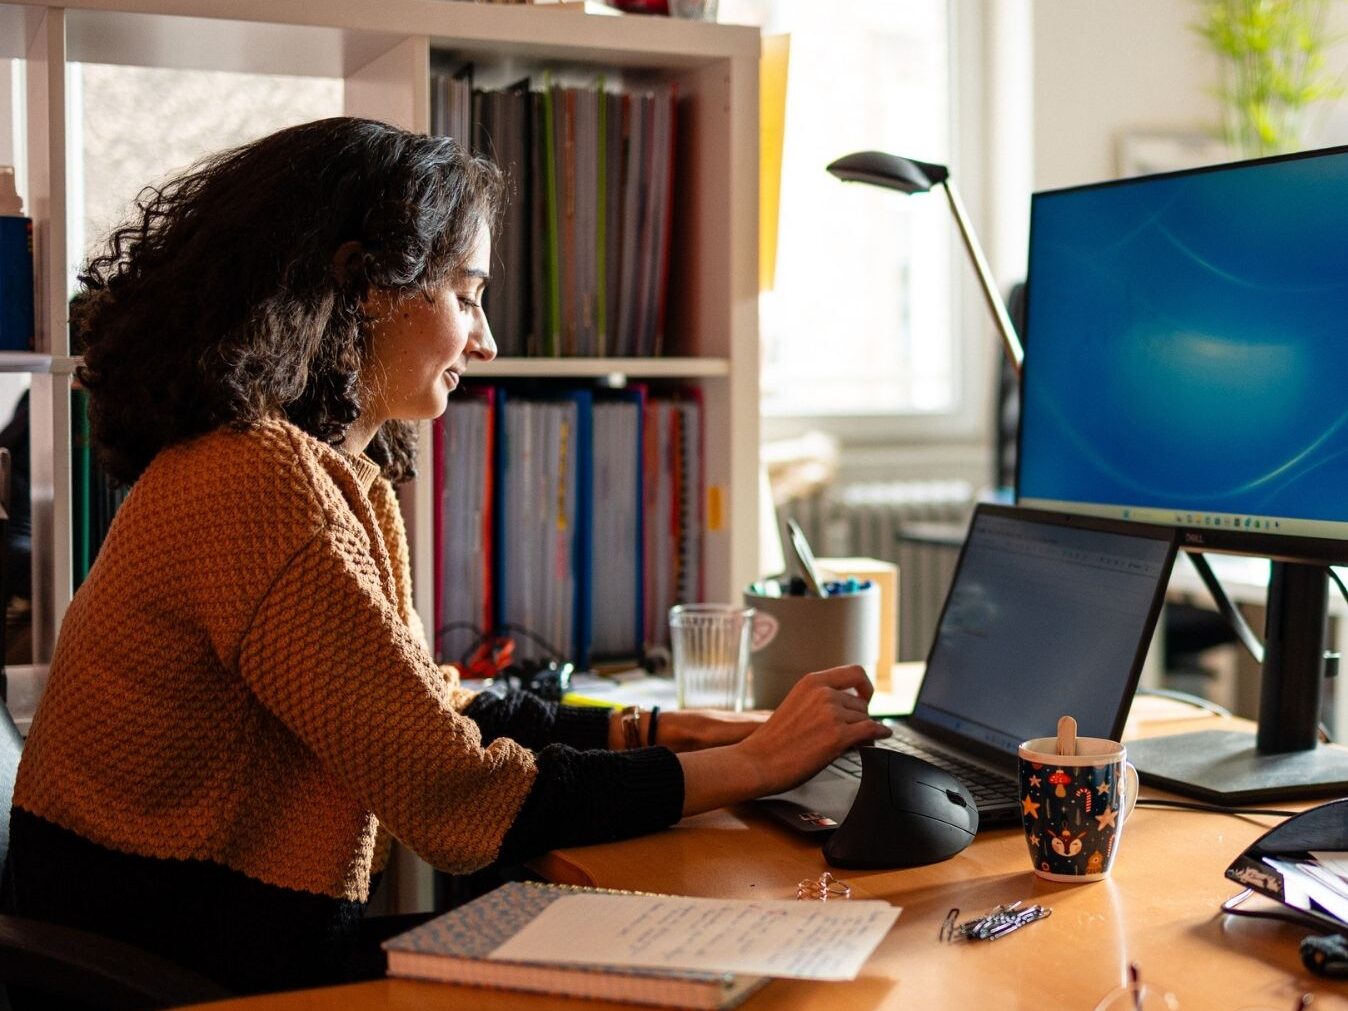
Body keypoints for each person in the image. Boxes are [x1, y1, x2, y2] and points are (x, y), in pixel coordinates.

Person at [0, 118, 889, 999]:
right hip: (184, 974)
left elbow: (430, 707)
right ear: (365, 289)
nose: (487, 341)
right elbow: (454, 793)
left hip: (214, 944)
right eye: (467, 295)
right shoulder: (253, 482)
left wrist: (658, 730)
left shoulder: (317, 474)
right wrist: (759, 767)